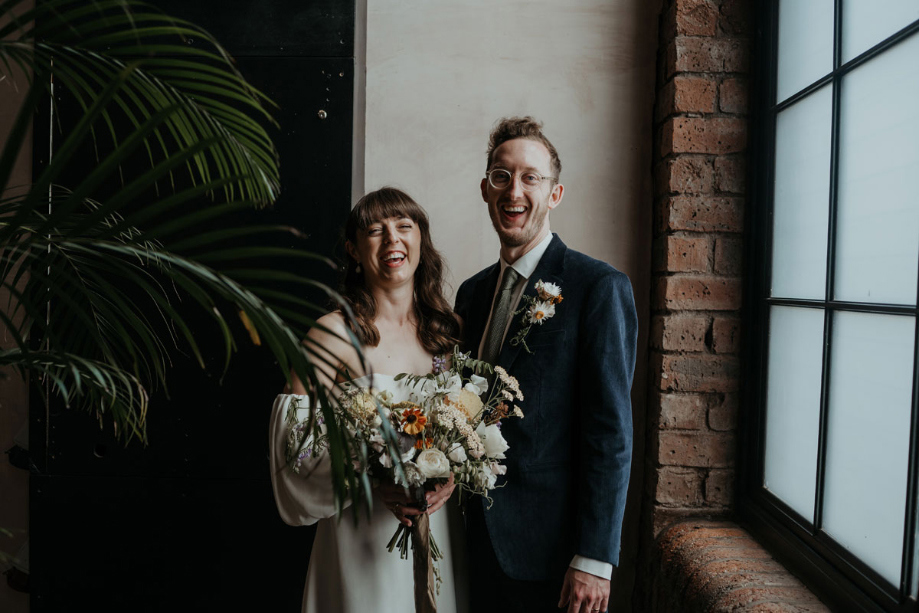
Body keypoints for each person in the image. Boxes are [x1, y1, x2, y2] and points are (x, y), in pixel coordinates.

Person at [454, 117, 637, 613]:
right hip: (470, 544)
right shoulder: (470, 294)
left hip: (553, 556)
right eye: (501, 175)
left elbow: (610, 432)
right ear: (485, 189)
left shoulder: (597, 287)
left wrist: (595, 558)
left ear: (554, 194)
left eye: (530, 177)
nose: (514, 190)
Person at [269, 187, 464, 613]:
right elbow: (293, 447)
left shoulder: (445, 335)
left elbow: (463, 432)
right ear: (354, 250)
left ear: (420, 241)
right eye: (375, 230)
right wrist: (370, 479)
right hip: (359, 534)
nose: (392, 239)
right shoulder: (332, 332)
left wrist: (450, 478)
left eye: (404, 227)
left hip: (435, 530)